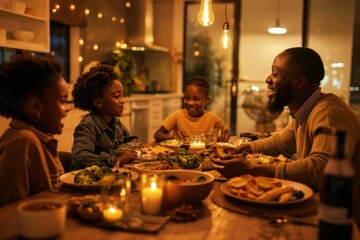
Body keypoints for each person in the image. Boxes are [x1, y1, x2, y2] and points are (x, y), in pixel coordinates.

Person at [211, 47, 360, 228]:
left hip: (343, 221)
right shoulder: (306, 111)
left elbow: (323, 169)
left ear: (299, 82)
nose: (267, 80)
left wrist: (250, 169)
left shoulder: (328, 113)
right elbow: (280, 142)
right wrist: (244, 150)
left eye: (275, 74)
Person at [0, 53, 69, 206]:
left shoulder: (43, 138)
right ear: (36, 106)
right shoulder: (22, 142)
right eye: (63, 101)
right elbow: (10, 213)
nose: (67, 109)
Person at [71, 64, 138, 170]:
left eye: (122, 95)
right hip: (88, 182)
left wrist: (127, 150)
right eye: (116, 96)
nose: (122, 100)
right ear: (98, 102)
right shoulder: (87, 125)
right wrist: (115, 160)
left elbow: (130, 140)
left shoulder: (115, 122)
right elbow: (80, 157)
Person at [154, 76, 230, 142]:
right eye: (187, 98)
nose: (190, 103)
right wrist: (173, 137)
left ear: (207, 100)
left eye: (196, 99)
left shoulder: (212, 117)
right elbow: (157, 135)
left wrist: (224, 137)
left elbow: (226, 132)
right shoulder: (177, 115)